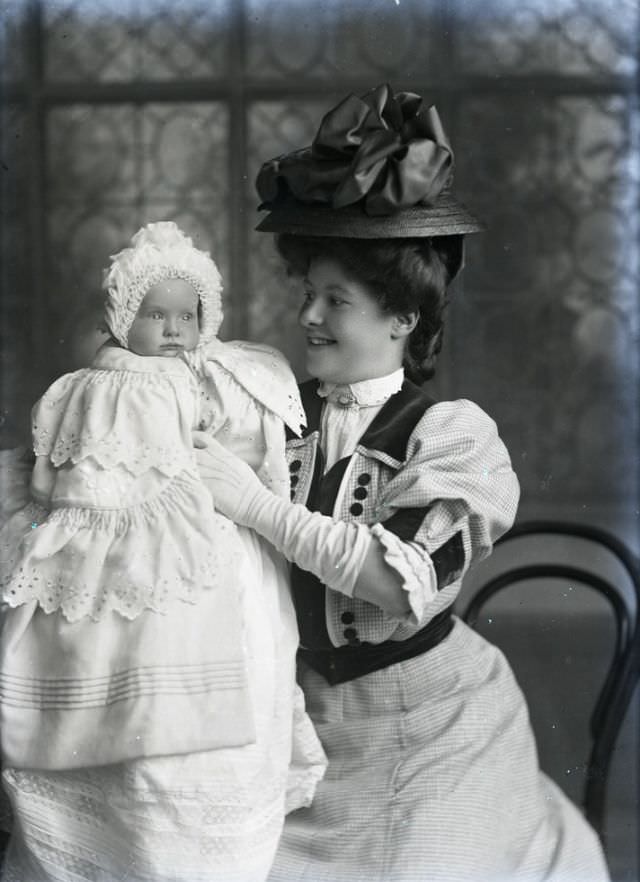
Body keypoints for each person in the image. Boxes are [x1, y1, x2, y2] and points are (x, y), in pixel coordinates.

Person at [193, 84, 611, 882]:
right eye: (308, 292)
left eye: (337, 300)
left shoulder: (452, 436)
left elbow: (395, 581)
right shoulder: (269, 409)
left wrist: (253, 504)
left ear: (402, 319)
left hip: (438, 727)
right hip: (308, 725)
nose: (311, 315)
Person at [0, 221, 325, 882]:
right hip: (121, 523)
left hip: (184, 522)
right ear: (125, 321)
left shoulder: (207, 376)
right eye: (155, 315)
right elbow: (94, 474)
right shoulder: (114, 381)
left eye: (187, 316)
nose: (174, 330)